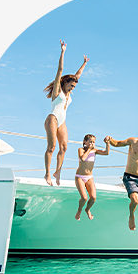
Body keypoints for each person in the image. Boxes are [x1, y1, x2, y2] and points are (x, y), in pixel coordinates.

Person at [43, 40, 89, 186]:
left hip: (62, 121)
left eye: (74, 86)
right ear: (65, 83)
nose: (73, 88)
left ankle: (58, 172)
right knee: (52, 147)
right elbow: (60, 70)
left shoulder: (70, 92)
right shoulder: (58, 91)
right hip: (53, 119)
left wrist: (84, 63)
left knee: (64, 147)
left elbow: (78, 75)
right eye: (71, 85)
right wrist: (63, 52)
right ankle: (48, 173)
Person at [74, 133, 110, 220]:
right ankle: (79, 210)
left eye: (93, 142)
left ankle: (87, 210)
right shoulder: (81, 150)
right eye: (90, 142)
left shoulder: (95, 151)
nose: (92, 144)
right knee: (84, 198)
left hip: (89, 177)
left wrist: (107, 143)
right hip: (80, 177)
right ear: (84, 142)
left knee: (93, 198)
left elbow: (106, 153)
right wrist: (89, 149)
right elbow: (82, 159)